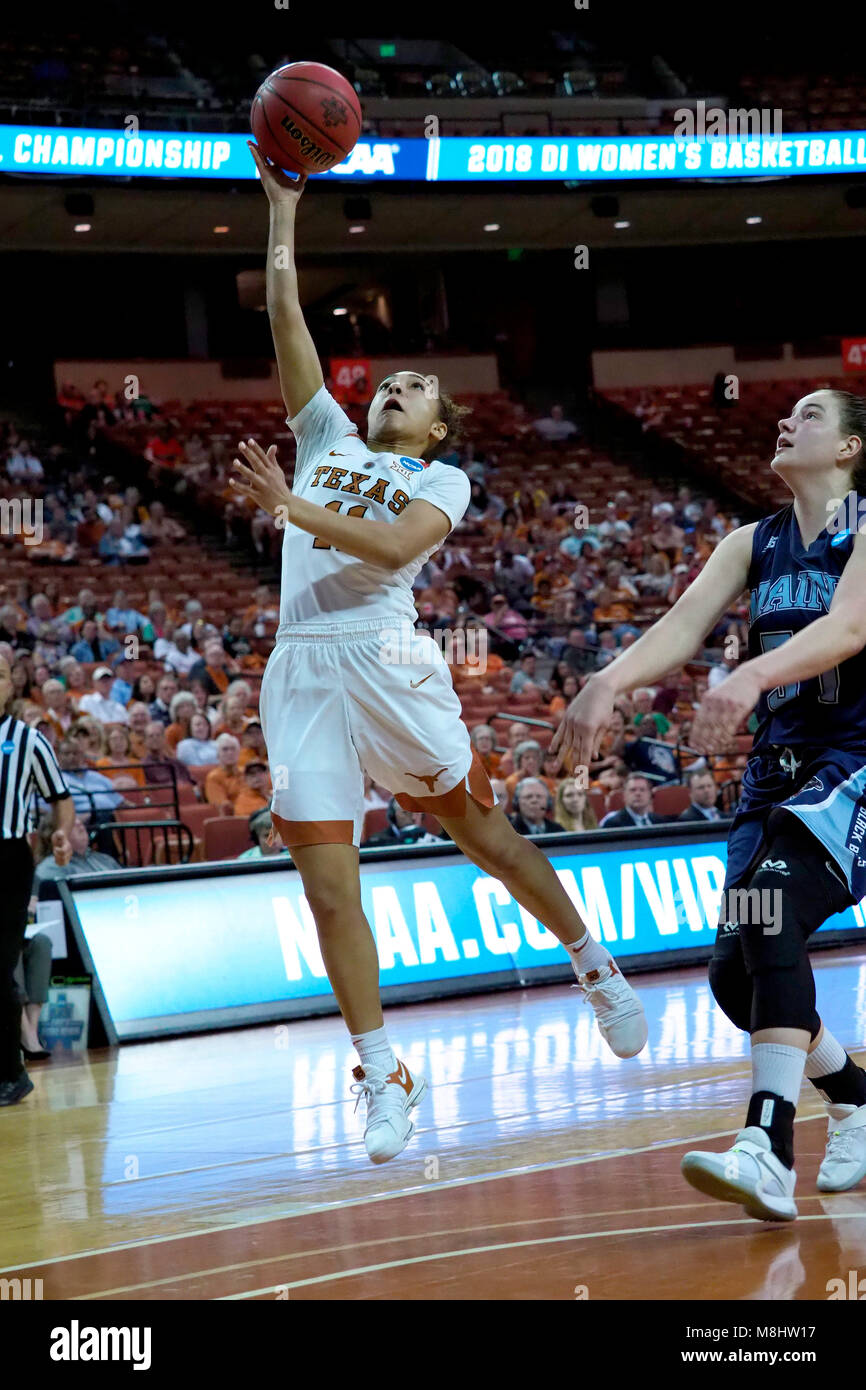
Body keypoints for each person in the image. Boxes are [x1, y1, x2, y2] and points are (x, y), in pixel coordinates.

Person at [228, 141, 648, 1167]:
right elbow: (286, 320)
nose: (395, 389)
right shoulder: (326, 436)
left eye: (416, 387)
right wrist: (281, 211)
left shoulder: (445, 482)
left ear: (438, 425)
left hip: (386, 659)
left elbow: (398, 547)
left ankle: (592, 965)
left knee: (485, 837)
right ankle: (382, 1070)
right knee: (329, 886)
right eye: (391, 381)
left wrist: (286, 505)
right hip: (301, 667)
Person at [553, 386, 866, 1222]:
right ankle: (856, 1099)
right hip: (777, 769)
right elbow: (682, 625)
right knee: (737, 979)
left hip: (857, 759)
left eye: (807, 415)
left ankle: (766, 1147)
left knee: (769, 924)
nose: (784, 422)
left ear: (848, 449)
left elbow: (848, 627)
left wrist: (754, 673)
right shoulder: (751, 542)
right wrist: (606, 682)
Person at [0, 657, 73, 1105]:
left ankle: (12, 1072)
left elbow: (59, 799)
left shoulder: (27, 740)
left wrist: (62, 832)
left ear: (11, 684)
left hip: (7, 858)